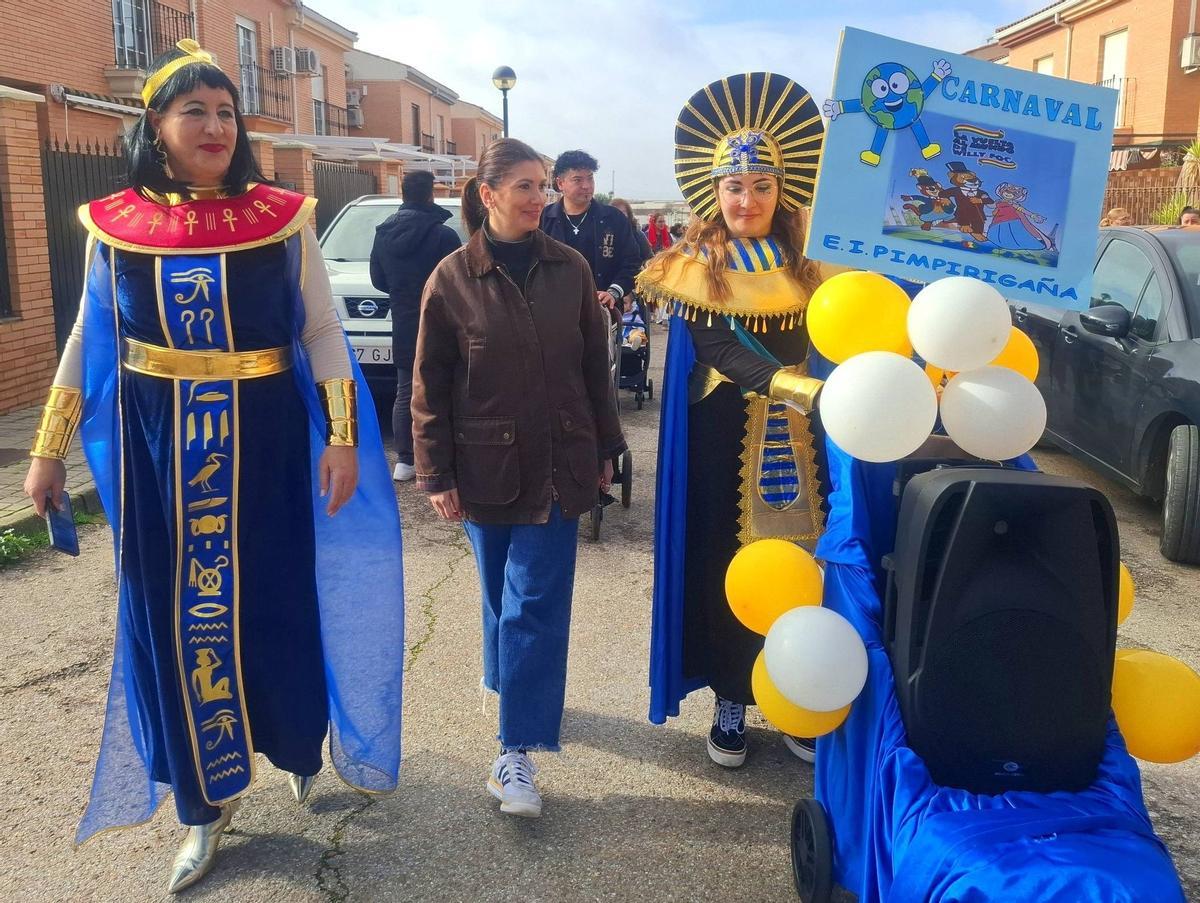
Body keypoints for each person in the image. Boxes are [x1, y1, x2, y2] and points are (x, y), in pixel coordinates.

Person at [21, 40, 404, 894]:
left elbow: (321, 332)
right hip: (163, 457)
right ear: (155, 126)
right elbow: (90, 338)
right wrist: (48, 446)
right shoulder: (116, 227)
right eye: (194, 109)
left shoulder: (281, 217)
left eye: (226, 111)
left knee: (273, 603)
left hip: (264, 447)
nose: (215, 125)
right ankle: (202, 806)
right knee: (173, 618)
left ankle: (296, 747)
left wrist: (342, 434)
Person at [412, 138, 625, 818]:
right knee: (498, 594)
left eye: (543, 186)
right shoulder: (450, 278)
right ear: (489, 195)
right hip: (485, 465)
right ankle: (506, 677)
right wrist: (436, 471)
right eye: (528, 186)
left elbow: (596, 366)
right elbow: (429, 386)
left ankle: (514, 753)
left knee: (533, 600)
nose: (541, 197)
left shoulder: (571, 268)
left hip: (562, 463)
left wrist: (608, 449)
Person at [639, 72, 836, 768]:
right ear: (713, 192)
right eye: (733, 186)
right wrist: (791, 384)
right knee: (729, 564)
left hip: (803, 439)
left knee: (805, 559)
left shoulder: (812, 261)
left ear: (781, 190)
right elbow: (718, 347)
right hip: (724, 438)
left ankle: (797, 690)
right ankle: (731, 692)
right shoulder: (694, 263)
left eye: (759, 185)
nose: (746, 199)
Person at [369, 169, 461, 481]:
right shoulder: (444, 236)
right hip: (443, 321)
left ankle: (405, 461)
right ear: (430, 194)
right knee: (445, 389)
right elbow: (459, 282)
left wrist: (402, 291)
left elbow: (378, 279)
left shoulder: (382, 234)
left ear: (404, 194)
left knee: (405, 390)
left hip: (404, 321)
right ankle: (442, 459)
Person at [540, 149, 641, 311]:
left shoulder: (614, 219)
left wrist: (614, 292)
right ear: (560, 184)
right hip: (554, 312)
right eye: (577, 180)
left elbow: (632, 261)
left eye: (590, 178)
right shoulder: (542, 220)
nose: (586, 186)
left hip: (603, 310)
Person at [611, 196, 653, 263]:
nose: (620, 215)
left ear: (628, 214)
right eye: (616, 212)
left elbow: (649, 258)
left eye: (623, 212)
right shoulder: (604, 235)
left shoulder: (638, 234)